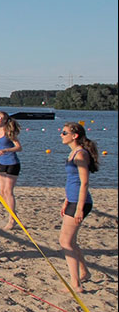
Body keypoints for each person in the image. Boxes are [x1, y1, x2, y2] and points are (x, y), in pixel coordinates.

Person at [58, 122, 99, 294]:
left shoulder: (81, 154)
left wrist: (80, 208)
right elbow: (72, 181)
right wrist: (67, 200)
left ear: (74, 135)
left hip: (80, 202)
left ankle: (75, 284)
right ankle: (84, 272)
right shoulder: (73, 153)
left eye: (64, 132)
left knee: (65, 241)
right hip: (73, 200)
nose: (61, 134)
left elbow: (84, 182)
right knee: (71, 241)